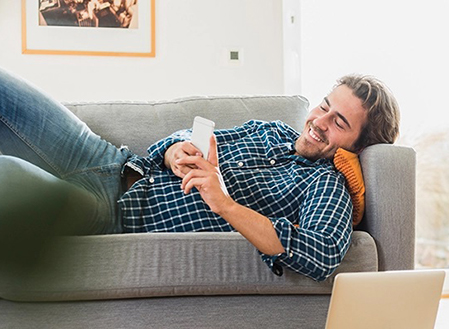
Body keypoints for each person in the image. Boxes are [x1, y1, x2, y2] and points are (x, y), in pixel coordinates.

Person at [0, 68, 400, 281]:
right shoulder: (271, 130)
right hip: (107, 159)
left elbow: (321, 253)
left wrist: (223, 202)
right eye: (324, 106)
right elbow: (180, 139)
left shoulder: (326, 184)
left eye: (339, 122)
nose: (319, 121)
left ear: (357, 147)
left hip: (109, 213)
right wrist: (176, 152)